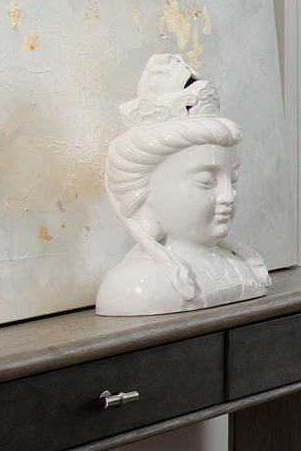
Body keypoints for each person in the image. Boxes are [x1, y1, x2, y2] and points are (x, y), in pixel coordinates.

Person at [93, 54, 270, 315]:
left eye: (232, 179)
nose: (228, 196)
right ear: (142, 194)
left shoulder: (240, 268)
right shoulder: (138, 286)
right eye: (206, 180)